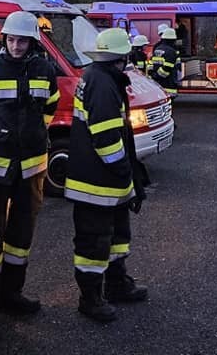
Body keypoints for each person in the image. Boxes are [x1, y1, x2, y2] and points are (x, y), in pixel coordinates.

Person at [0, 11, 60, 339]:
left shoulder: (44, 68)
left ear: (32, 41)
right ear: (3, 39)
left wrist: (37, 131)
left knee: (21, 238)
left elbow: (51, 104)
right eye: (11, 39)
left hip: (32, 166)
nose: (16, 45)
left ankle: (12, 294)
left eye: (22, 40)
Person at [66, 28, 149, 323]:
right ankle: (90, 299)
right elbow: (105, 139)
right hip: (95, 183)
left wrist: (132, 177)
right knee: (93, 242)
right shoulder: (102, 83)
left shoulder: (99, 77)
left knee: (115, 237)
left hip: (104, 181)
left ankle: (115, 284)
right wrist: (125, 172)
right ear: (122, 56)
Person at [150, 28, 180, 97]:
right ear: (172, 40)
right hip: (168, 85)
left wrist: (153, 76)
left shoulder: (157, 49)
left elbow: (151, 65)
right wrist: (158, 75)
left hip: (157, 83)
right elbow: (167, 68)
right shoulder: (171, 52)